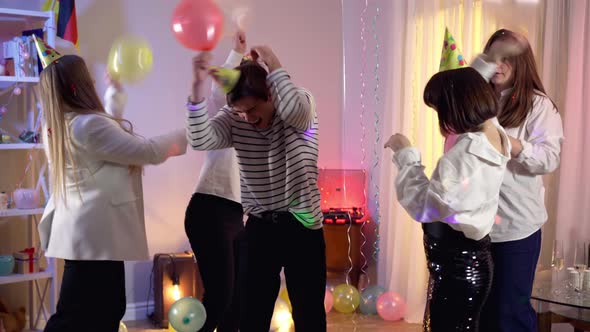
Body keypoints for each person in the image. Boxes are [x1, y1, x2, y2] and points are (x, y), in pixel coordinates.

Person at [34, 37, 187, 332]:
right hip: (97, 236)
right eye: (88, 76)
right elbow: (148, 152)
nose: (93, 78)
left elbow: (103, 134)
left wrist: (115, 92)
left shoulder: (58, 125)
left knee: (92, 310)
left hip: (83, 235)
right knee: (84, 315)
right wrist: (194, 129)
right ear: (79, 85)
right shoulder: (88, 126)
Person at [185, 46, 326, 331]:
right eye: (240, 112)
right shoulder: (235, 117)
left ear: (271, 94)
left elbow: (294, 111)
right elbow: (200, 139)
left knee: (309, 314)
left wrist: (273, 64)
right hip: (260, 226)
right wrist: (197, 89)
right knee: (251, 314)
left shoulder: (301, 104)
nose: (247, 117)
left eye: (252, 109)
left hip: (303, 225)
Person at [385, 67, 510, 331]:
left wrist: (405, 152)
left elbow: (425, 206)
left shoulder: (464, 156)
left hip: (458, 266)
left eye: (439, 109)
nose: (440, 118)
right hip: (474, 261)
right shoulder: (492, 133)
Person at [475, 29, 564, 332]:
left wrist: (510, 144)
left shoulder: (539, 106)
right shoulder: (479, 101)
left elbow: (549, 159)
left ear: (521, 63)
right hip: (477, 226)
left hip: (516, 230)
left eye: (507, 60)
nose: (498, 66)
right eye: (493, 58)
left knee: (509, 314)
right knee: (481, 313)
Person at [183, 31, 246, 332]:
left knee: (237, 300)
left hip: (235, 214)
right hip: (208, 209)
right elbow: (216, 95)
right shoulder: (225, 118)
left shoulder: (259, 128)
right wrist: (236, 53)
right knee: (221, 297)